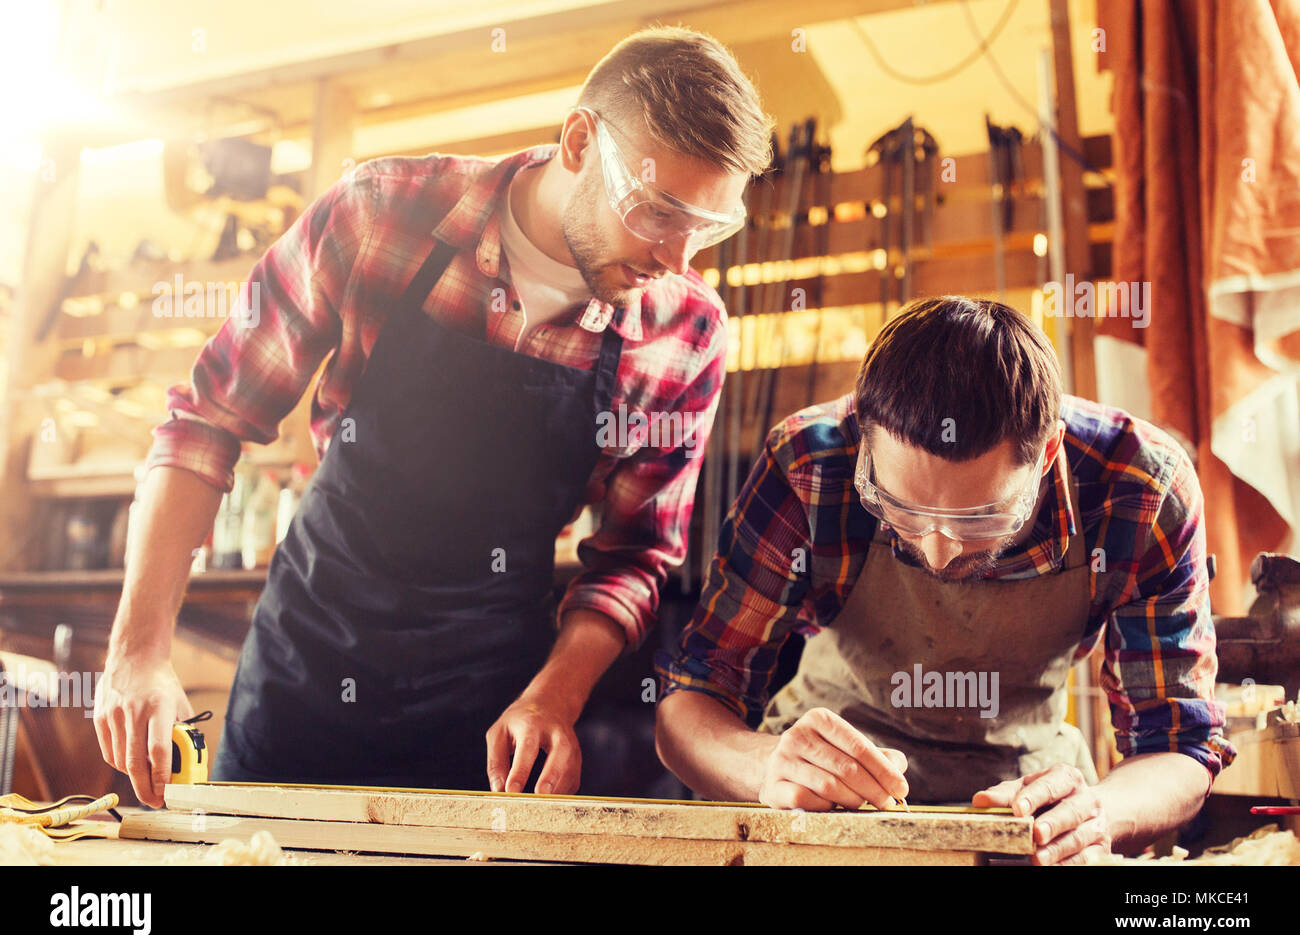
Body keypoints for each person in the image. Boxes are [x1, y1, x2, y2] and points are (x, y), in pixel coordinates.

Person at [95, 26, 773, 807]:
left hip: (487, 705)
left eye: (708, 228)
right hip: (306, 665)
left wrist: (553, 699)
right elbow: (207, 421)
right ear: (581, 142)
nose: (678, 260)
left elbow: (634, 558)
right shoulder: (381, 214)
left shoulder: (684, 332)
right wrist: (138, 651)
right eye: (658, 212)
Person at [654, 296, 1237, 864]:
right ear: (865, 440)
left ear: (1047, 451)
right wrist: (767, 767)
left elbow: (1178, 743)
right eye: (899, 510)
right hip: (826, 816)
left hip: (1020, 819)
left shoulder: (1142, 488)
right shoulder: (809, 465)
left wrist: (1096, 816)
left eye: (979, 517)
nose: (936, 552)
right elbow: (693, 698)